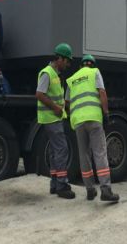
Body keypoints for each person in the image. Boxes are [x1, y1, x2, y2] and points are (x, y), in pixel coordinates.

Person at [66, 54, 119, 202]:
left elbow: (67, 103)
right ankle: (106, 190)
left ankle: (90, 190)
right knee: (100, 153)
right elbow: (102, 92)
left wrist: (73, 116)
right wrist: (106, 113)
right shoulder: (95, 72)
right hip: (94, 119)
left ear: (81, 66)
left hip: (78, 121)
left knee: (84, 155)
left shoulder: (71, 79)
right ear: (92, 64)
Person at [35, 43, 75, 199]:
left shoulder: (55, 74)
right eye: (67, 61)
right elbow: (39, 94)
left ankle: (54, 184)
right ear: (59, 58)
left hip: (53, 118)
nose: (68, 64)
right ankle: (62, 185)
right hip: (51, 118)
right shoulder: (47, 73)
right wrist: (56, 108)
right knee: (62, 150)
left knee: (54, 151)